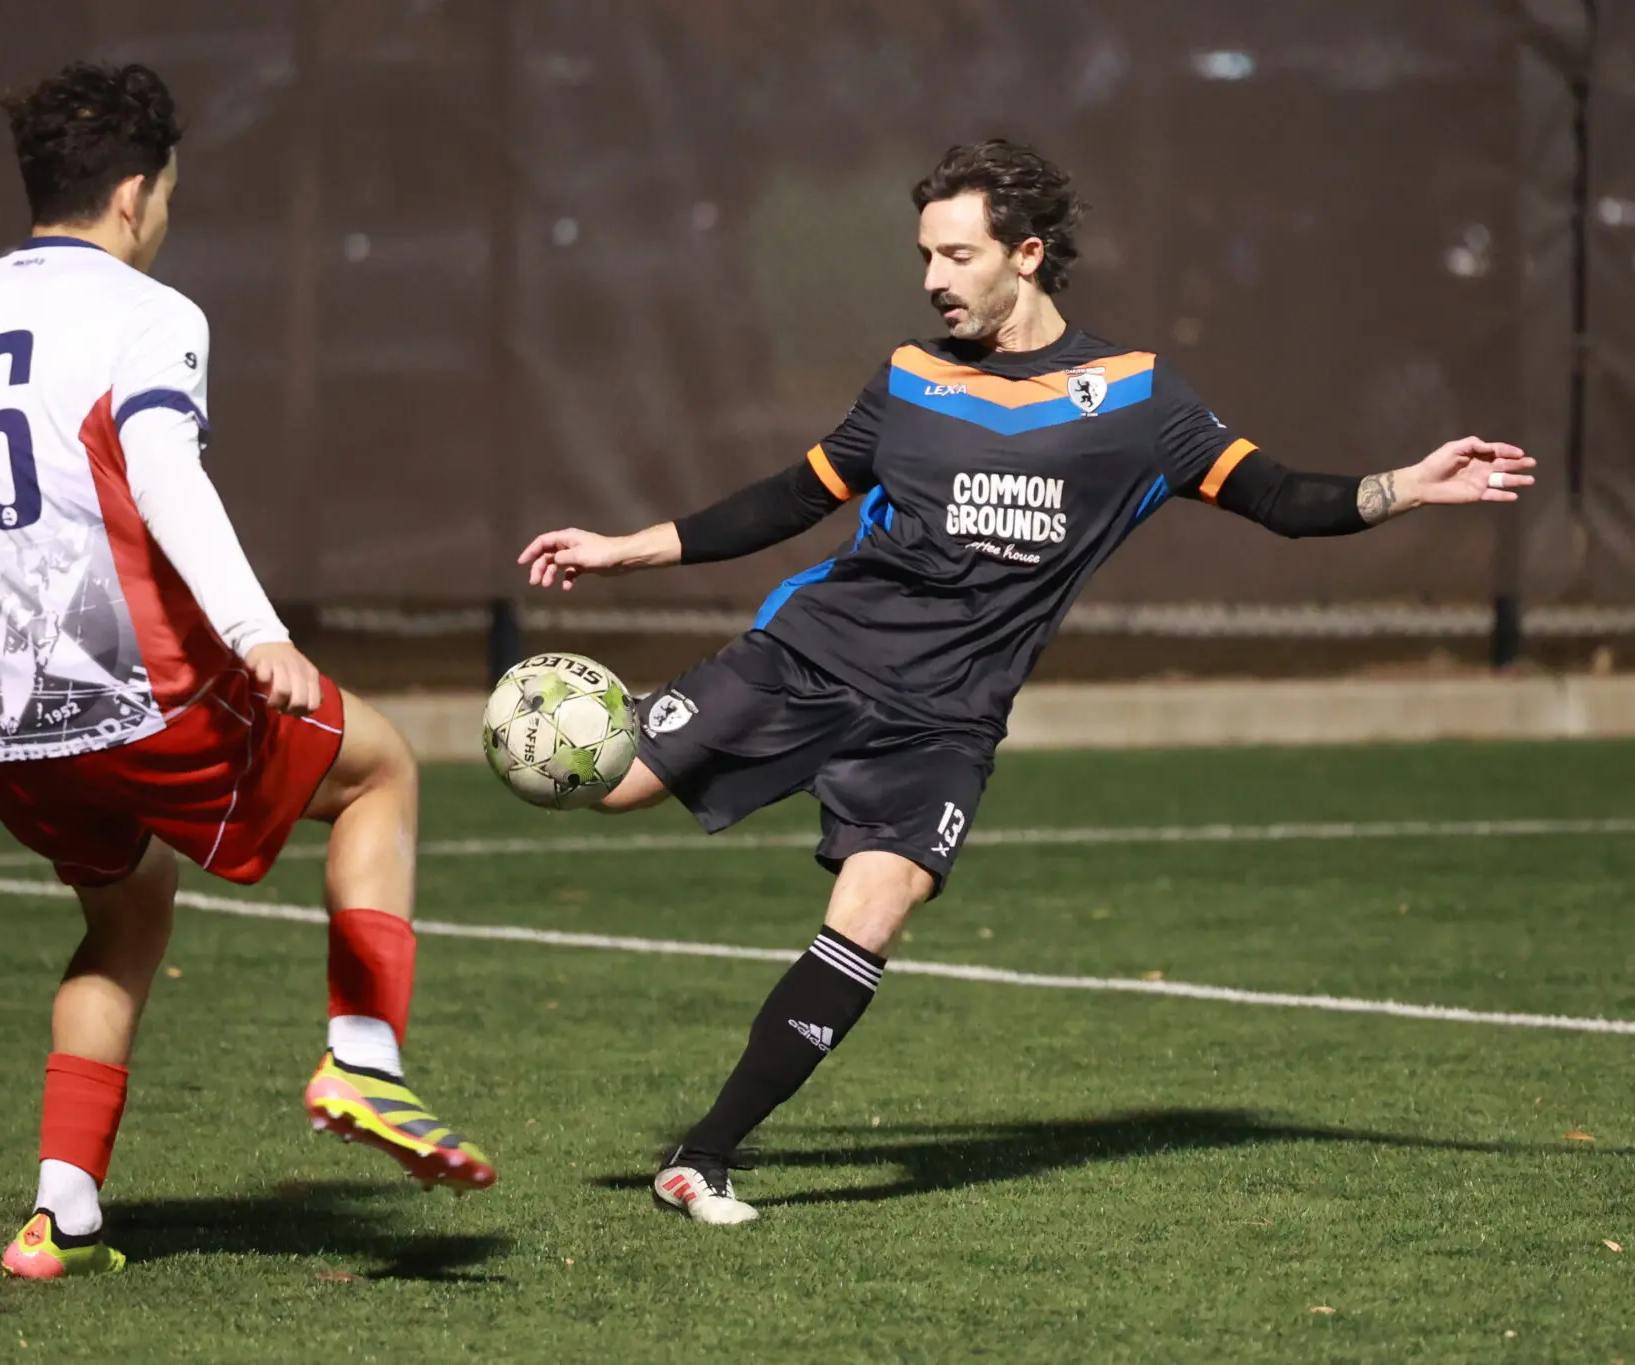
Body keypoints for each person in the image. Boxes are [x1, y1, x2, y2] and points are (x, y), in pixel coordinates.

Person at [517, 139, 1533, 1225]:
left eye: (955, 254)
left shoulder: (1136, 400)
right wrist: (624, 547)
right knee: (596, 779)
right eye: (923, 255)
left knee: (872, 909)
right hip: (812, 659)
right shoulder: (910, 379)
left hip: (943, 719)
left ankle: (701, 1158)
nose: (931, 278)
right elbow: (786, 499)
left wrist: (1405, 489)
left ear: (1027, 254)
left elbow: (1281, 498)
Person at [0, 62, 493, 1278]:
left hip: (0, 719)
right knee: (383, 770)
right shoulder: (149, 313)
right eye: (171, 193)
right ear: (136, 193)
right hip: (135, 686)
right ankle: (366, 1061)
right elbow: (163, 472)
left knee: (124, 920)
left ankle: (61, 1213)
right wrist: (257, 634)